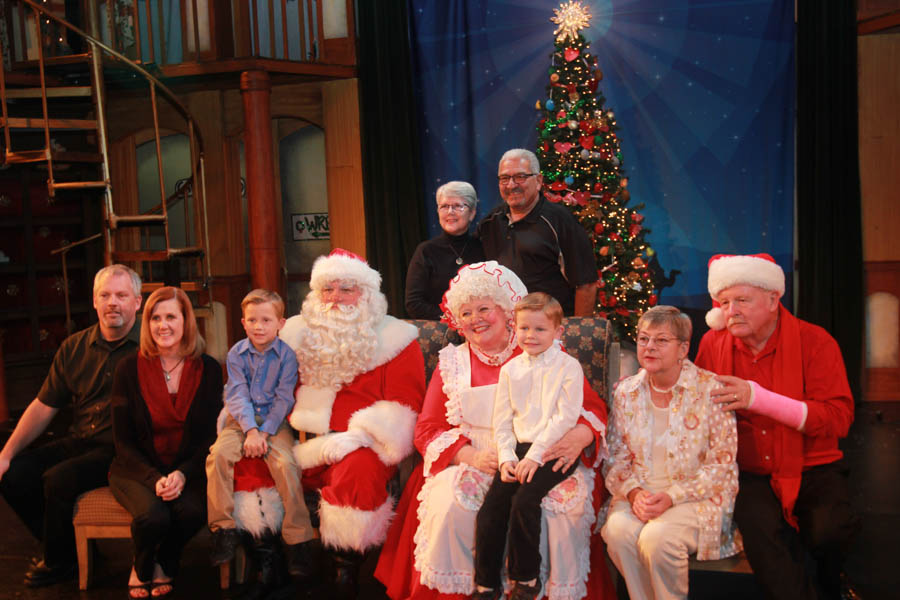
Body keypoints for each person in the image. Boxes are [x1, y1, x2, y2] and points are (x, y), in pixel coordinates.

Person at [374, 260, 616, 600]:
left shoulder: (544, 351)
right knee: (449, 507)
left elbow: (589, 407)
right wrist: (468, 455)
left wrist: (580, 435)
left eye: (484, 308)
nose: (476, 319)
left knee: (563, 510)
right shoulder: (451, 363)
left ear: (507, 313)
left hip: (541, 452)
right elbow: (428, 429)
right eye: (467, 313)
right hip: (474, 458)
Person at [694, 253, 857, 600]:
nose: (731, 310)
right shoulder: (712, 344)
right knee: (763, 536)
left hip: (814, 464)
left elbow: (839, 419)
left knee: (828, 532)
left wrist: (759, 399)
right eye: (724, 302)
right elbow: (697, 410)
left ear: (772, 299)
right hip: (749, 470)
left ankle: (833, 587)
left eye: (742, 300)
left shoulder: (816, 342)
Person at [279, 248, 425, 599]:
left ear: (367, 295)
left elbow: (406, 405)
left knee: (356, 474)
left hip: (362, 445)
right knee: (254, 464)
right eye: (328, 289)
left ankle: (345, 572)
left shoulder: (397, 338)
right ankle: (265, 566)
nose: (336, 298)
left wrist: (358, 436)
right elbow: (269, 390)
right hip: (299, 442)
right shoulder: (293, 334)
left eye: (347, 289)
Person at [0, 265, 142, 587]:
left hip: (120, 448)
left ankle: (58, 561)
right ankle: (65, 549)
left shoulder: (150, 346)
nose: (112, 303)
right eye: (105, 295)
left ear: (137, 301)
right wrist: (5, 454)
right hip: (81, 440)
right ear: (94, 301)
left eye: (121, 295)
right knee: (14, 474)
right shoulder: (74, 347)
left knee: (57, 479)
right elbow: (43, 407)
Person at [601, 305, 740, 600]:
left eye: (661, 340)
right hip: (641, 493)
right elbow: (615, 456)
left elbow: (721, 466)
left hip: (695, 496)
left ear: (683, 348)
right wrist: (636, 494)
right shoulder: (626, 392)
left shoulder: (710, 390)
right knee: (619, 532)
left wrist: (672, 496)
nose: (649, 347)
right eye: (643, 339)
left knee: (657, 538)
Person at [108, 286, 221, 598]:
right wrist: (154, 478)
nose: (163, 325)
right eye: (155, 317)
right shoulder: (128, 369)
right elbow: (123, 441)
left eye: (171, 316)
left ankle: (167, 559)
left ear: (186, 320)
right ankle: (142, 564)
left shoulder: (208, 368)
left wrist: (183, 473)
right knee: (153, 516)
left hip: (188, 468)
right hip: (136, 469)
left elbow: (210, 437)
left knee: (191, 512)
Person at [472, 292, 584, 600]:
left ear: (558, 332)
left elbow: (564, 419)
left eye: (539, 329)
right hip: (519, 449)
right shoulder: (511, 369)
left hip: (554, 449)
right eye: (524, 328)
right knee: (491, 509)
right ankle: (486, 583)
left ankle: (526, 578)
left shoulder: (569, 367)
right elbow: (503, 419)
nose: (530, 336)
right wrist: (507, 457)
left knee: (524, 502)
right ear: (514, 328)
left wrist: (535, 457)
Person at [206, 289, 318, 577]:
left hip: (274, 422)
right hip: (239, 421)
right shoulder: (236, 354)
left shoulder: (287, 357)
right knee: (218, 455)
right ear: (243, 322)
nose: (259, 326)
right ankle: (223, 529)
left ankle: (298, 539)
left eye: (266, 320)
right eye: (252, 320)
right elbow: (237, 394)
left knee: (285, 463)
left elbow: (284, 399)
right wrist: (250, 430)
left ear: (280, 323)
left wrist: (264, 432)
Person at [477, 148, 598, 316]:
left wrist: (574, 334)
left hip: (551, 330)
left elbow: (587, 285)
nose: (511, 185)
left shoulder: (560, 221)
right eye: (505, 178)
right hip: (506, 330)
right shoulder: (489, 224)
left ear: (539, 180)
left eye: (520, 177)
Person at [406, 181, 485, 319]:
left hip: (481, 327)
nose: (450, 212)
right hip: (442, 331)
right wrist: (454, 319)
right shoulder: (426, 251)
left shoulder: (483, 247)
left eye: (458, 206)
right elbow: (413, 304)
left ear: (472, 213)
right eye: (444, 206)